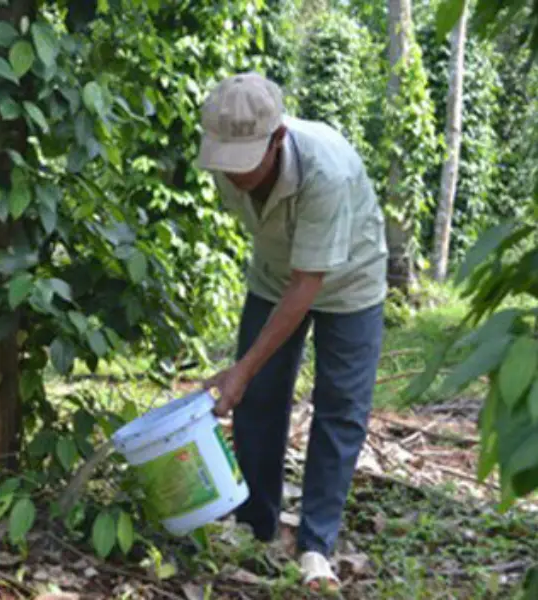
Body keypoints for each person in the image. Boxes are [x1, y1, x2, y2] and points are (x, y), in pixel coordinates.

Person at [196, 72, 388, 592]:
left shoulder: (328, 173)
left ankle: (316, 546)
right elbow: (287, 274)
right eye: (225, 161)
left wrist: (240, 367)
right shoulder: (225, 161)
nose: (232, 175)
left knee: (339, 410)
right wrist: (248, 374)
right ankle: (255, 523)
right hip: (274, 275)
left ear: (277, 138)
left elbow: (309, 284)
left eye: (245, 162)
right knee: (257, 396)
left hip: (350, 281)